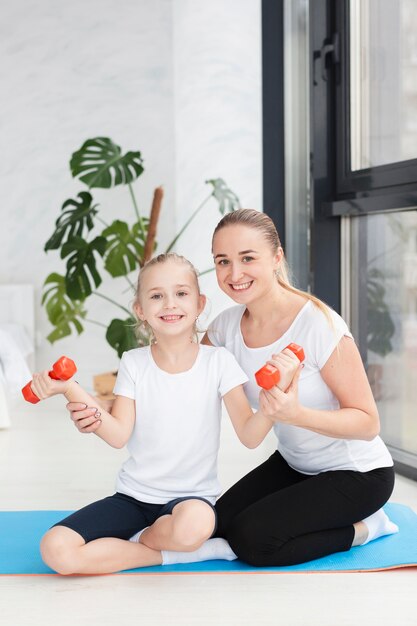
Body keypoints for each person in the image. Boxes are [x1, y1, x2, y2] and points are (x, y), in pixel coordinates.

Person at [68, 210, 398, 568]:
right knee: (216, 525)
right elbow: (174, 371)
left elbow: (368, 423)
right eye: (223, 261)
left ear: (276, 257)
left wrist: (295, 414)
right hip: (294, 465)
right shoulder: (226, 328)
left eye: (248, 258)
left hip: (358, 474)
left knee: (253, 542)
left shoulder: (318, 324)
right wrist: (101, 408)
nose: (235, 274)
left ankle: (365, 528)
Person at [32, 252, 299, 575]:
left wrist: (277, 397)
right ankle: (169, 553)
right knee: (56, 550)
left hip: (191, 502)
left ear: (200, 304)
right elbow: (118, 435)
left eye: (181, 294)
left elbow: (250, 434)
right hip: (133, 498)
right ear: (141, 310)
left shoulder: (218, 362)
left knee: (193, 527)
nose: (170, 304)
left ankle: (157, 543)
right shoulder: (133, 362)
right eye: (157, 296)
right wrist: (69, 389)